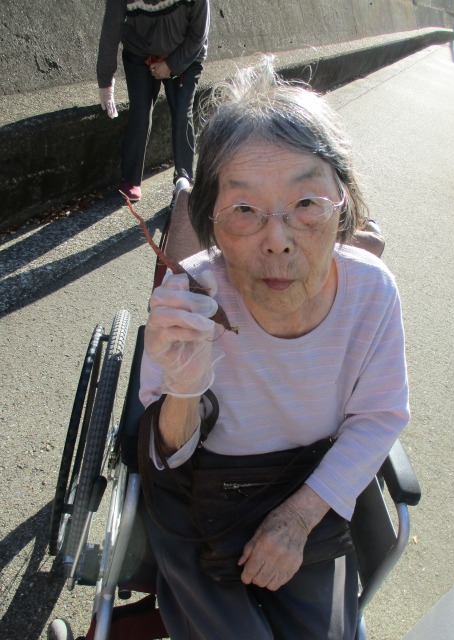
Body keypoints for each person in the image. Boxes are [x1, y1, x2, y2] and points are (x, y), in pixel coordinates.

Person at [139, 56, 409, 640]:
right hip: (199, 490)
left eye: (306, 204)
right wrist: (183, 387)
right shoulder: (191, 296)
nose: (278, 241)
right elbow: (164, 453)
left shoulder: (372, 292)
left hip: (308, 483)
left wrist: (299, 517)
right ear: (211, 220)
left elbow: (380, 415)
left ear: (343, 203)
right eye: (244, 210)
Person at [96, 0, 210, 203]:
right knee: (140, 112)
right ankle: (131, 179)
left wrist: (171, 65)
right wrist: (105, 82)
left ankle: (184, 179)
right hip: (140, 50)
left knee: (182, 112)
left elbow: (198, 33)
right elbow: (111, 28)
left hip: (185, 50)